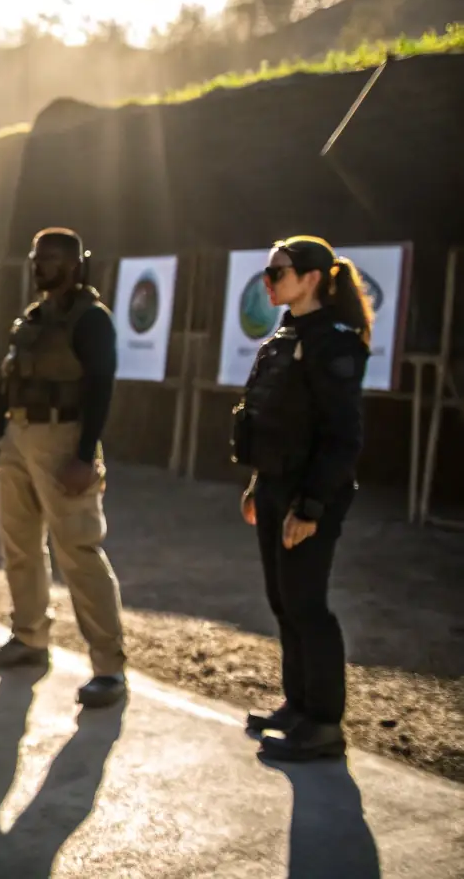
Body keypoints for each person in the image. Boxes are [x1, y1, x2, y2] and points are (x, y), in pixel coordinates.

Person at [232, 235, 372, 761]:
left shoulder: (332, 340)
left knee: (308, 606)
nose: (269, 281)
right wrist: (259, 484)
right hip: (276, 485)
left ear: (312, 277)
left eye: (279, 272)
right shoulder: (287, 333)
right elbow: (271, 418)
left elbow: (343, 436)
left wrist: (311, 506)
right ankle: (299, 704)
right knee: (282, 600)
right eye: (268, 272)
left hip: (311, 493)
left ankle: (325, 724)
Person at [0, 228, 127, 709]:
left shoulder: (91, 320)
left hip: (64, 438)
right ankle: (29, 638)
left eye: (53, 259)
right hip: (19, 437)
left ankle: (108, 667)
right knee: (19, 544)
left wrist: (85, 456)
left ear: (77, 264)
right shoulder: (32, 318)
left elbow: (101, 385)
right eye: (37, 258)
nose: (41, 266)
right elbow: (9, 382)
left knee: (78, 551)